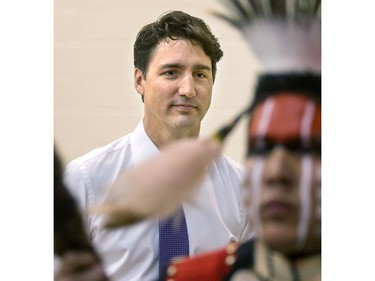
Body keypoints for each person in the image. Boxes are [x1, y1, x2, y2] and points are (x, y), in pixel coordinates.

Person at [63, 10, 252, 281]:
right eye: (171, 72)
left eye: (200, 74)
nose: (187, 89)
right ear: (140, 81)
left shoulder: (240, 188)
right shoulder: (86, 179)